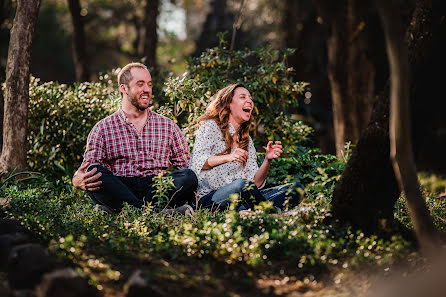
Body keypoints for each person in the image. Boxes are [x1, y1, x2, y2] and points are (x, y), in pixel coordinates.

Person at [72, 62, 197, 215]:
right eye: (140, 84)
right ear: (124, 88)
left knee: (189, 176)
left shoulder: (168, 126)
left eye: (149, 84)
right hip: (120, 186)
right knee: (95, 171)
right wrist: (76, 180)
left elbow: (186, 166)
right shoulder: (102, 128)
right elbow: (87, 171)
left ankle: (123, 212)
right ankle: (155, 214)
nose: (147, 90)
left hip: (158, 188)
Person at [189, 83, 303, 212]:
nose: (249, 101)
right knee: (242, 185)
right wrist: (229, 157)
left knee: (295, 189)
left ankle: (249, 211)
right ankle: (270, 213)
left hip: (240, 200)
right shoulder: (211, 126)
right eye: (242, 97)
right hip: (210, 200)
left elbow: (256, 183)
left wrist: (267, 160)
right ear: (228, 104)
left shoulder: (246, 140)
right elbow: (197, 163)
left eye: (250, 98)